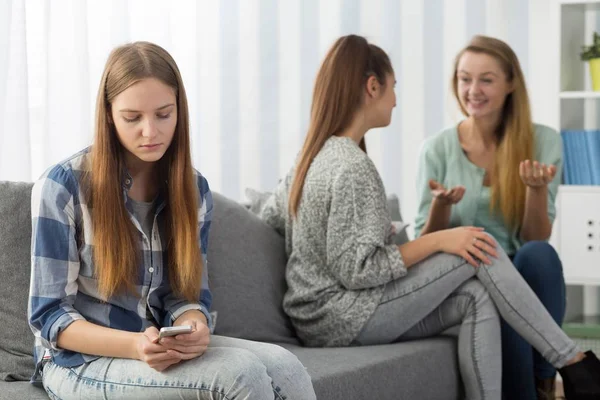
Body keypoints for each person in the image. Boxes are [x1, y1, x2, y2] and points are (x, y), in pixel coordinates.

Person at [256, 34, 600, 400]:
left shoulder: (310, 157)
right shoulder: (352, 165)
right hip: (337, 318)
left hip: (322, 315)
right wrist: (439, 239)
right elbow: (359, 271)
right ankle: (575, 362)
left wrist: (356, 228)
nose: (396, 99)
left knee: (474, 297)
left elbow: (271, 214)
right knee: (475, 243)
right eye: (393, 87)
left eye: (486, 79)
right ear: (373, 87)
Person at [28, 41, 316, 400]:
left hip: (154, 344)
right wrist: (135, 346)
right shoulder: (62, 187)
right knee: (239, 376)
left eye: (163, 114)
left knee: (286, 368)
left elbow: (185, 296)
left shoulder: (192, 189)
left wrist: (193, 326)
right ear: (108, 115)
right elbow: (50, 316)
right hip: (77, 361)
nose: (151, 131)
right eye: (132, 118)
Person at [414, 35, 566, 400]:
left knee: (538, 257)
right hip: (464, 270)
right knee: (498, 286)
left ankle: (545, 382)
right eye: (465, 79)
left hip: (519, 263)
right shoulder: (437, 148)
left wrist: (535, 190)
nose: (473, 90)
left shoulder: (543, 141)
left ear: (511, 83)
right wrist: (441, 206)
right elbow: (422, 242)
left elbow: (536, 237)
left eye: (486, 79)